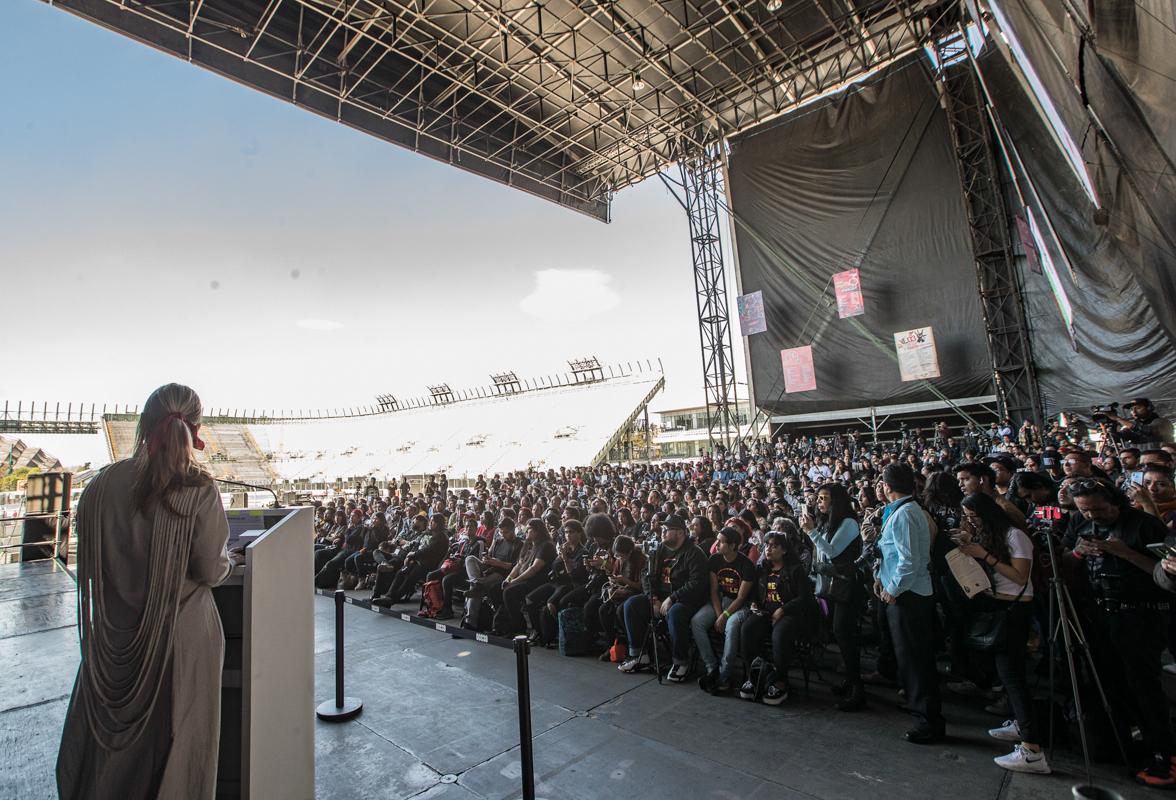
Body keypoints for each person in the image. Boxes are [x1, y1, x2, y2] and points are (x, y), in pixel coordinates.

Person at [58, 383, 244, 800]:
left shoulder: (100, 487)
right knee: (180, 747)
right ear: (196, 428)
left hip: (112, 640)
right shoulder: (198, 489)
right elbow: (211, 571)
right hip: (180, 640)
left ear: (142, 426)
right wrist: (231, 560)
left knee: (111, 759)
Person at [1062, 479, 1175, 788]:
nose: (1092, 516)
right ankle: (1132, 743)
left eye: (1098, 509)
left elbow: (1166, 576)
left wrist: (1124, 553)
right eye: (1085, 510)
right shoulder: (1077, 521)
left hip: (1142, 612)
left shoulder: (1144, 525)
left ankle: (1167, 752)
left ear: (1115, 502)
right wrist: (1079, 553)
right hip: (1101, 611)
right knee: (1111, 681)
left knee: (1144, 683)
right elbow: (1064, 561)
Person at [954, 492, 1049, 774]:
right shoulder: (995, 536)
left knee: (1012, 675)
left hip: (1016, 610)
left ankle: (1032, 751)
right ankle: (1022, 725)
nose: (972, 522)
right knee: (1009, 673)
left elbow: (1020, 576)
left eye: (974, 517)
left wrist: (984, 555)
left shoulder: (1015, 536)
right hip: (1000, 605)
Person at [875, 462, 944, 743]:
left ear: (888, 487)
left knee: (916, 660)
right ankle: (918, 705)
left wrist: (892, 588)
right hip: (906, 591)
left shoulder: (904, 514)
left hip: (908, 595)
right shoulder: (905, 510)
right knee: (909, 657)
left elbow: (909, 561)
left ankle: (927, 721)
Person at [619, 515, 708, 679]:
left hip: (686, 599)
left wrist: (672, 598)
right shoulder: (659, 549)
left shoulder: (694, 552)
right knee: (631, 605)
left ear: (680, 533)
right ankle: (641, 655)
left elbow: (698, 583)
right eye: (663, 529)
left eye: (667, 530)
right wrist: (653, 599)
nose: (663, 532)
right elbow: (646, 574)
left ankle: (680, 661)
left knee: (675, 614)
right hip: (660, 597)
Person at [801, 482, 865, 711]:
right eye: (818, 498)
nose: (819, 502)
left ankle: (857, 687)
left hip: (848, 586)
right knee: (839, 632)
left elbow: (832, 552)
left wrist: (812, 532)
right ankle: (851, 677)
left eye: (824, 497)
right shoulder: (830, 522)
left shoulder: (848, 523)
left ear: (836, 499)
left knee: (844, 632)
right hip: (834, 584)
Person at [738, 531, 816, 704]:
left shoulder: (795, 570)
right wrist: (754, 605)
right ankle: (754, 676)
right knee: (747, 629)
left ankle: (781, 681)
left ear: (784, 550)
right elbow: (753, 595)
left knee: (779, 634)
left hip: (792, 613)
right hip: (766, 611)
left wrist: (783, 610)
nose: (769, 550)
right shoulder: (762, 569)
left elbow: (805, 599)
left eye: (774, 546)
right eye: (767, 546)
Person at [691, 527, 756, 694]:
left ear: (732, 546)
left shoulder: (746, 565)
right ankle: (711, 666)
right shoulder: (714, 560)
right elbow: (713, 591)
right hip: (719, 601)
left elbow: (742, 598)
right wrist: (719, 615)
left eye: (720, 541)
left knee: (732, 627)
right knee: (697, 622)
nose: (716, 544)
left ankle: (724, 673)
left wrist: (725, 616)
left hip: (739, 605)